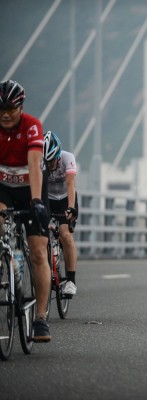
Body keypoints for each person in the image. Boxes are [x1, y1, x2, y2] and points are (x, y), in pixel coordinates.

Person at [0, 79, 51, 342]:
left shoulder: (32, 125)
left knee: (39, 253)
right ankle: (7, 258)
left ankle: (40, 318)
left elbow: (34, 163)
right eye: (0, 110)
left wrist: (37, 201)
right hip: (4, 189)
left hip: (31, 188)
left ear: (20, 107)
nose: (5, 114)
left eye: (10, 108)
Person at [43, 131, 79, 296]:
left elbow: (70, 183)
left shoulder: (67, 157)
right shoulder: (39, 161)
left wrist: (71, 207)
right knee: (40, 237)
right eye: (47, 162)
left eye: (52, 161)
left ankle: (71, 281)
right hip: (48, 198)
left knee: (65, 234)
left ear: (58, 156)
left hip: (65, 198)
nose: (50, 165)